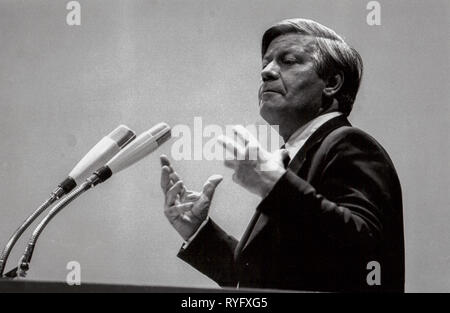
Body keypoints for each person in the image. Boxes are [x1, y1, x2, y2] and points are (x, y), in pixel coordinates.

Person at [159, 18, 404, 292]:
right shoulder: (291, 160)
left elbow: (366, 254)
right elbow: (263, 278)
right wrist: (199, 232)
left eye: (288, 61)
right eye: (265, 64)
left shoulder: (348, 143)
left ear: (332, 82)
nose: (266, 72)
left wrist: (276, 186)